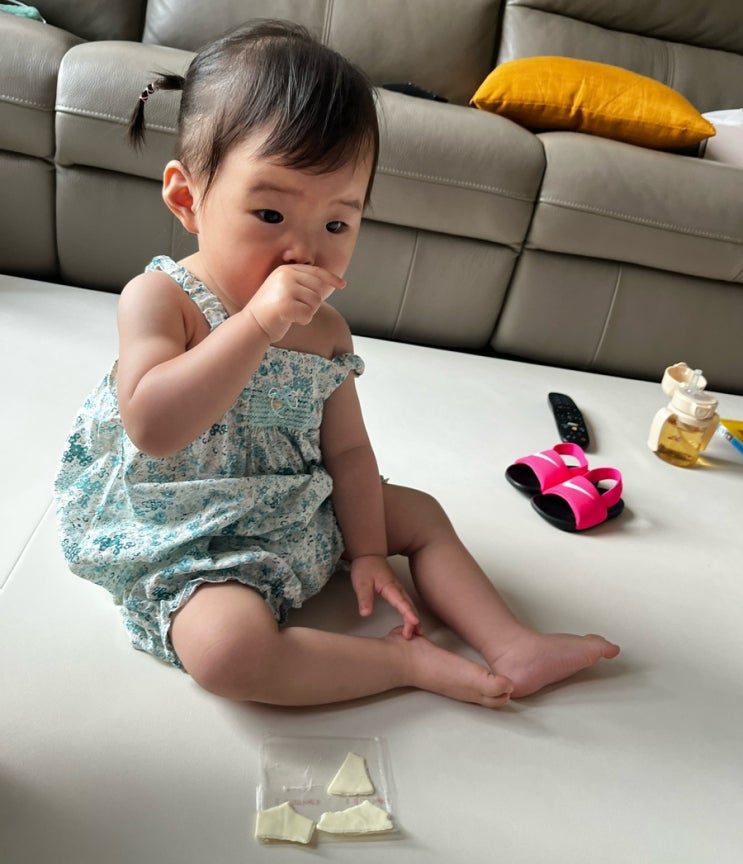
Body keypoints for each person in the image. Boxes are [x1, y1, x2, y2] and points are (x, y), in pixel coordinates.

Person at [55, 20, 619, 709]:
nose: (305, 250)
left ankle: (511, 643)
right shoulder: (163, 299)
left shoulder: (325, 330)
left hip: (289, 499)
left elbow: (348, 452)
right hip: (186, 528)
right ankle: (403, 663)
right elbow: (153, 426)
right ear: (187, 199)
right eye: (270, 213)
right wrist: (255, 326)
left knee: (421, 514)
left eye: (336, 224)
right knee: (229, 653)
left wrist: (371, 552)